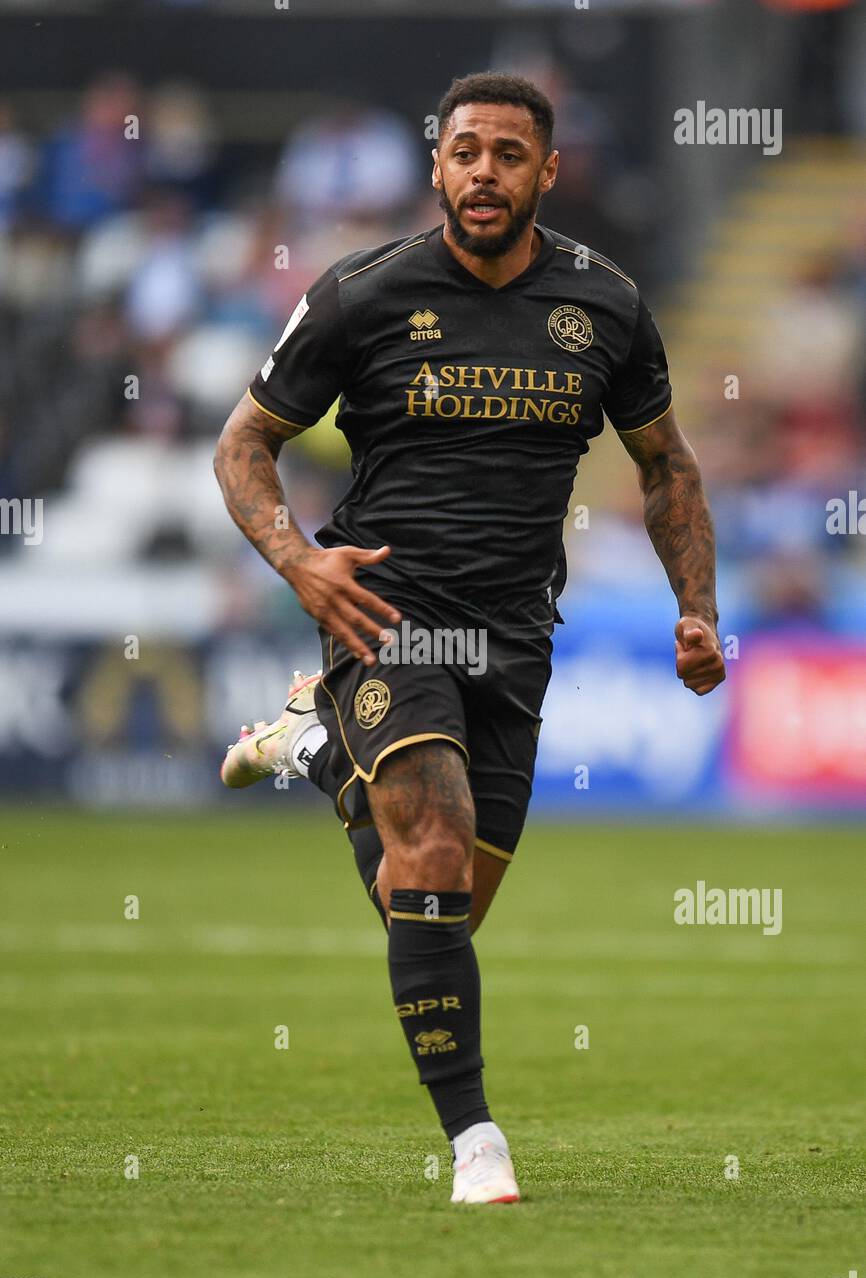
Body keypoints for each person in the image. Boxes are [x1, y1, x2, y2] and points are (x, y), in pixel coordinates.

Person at [213, 71, 726, 1205]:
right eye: (462, 152)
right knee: (431, 852)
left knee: (436, 905)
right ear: (434, 164)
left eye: (506, 154)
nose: (481, 172)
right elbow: (242, 444)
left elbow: (666, 467)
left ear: (547, 171)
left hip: (514, 632)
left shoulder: (606, 305)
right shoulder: (361, 294)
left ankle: (309, 748)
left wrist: (697, 607)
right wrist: (297, 557)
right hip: (386, 613)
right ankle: (475, 1143)